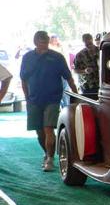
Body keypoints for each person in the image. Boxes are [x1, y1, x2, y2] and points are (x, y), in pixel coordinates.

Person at [20, 31, 78, 172]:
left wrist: (76, 94)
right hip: (34, 99)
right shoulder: (27, 58)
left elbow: (69, 77)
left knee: (48, 129)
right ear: (35, 42)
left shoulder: (57, 57)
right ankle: (46, 154)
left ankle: (51, 159)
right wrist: (27, 98)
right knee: (40, 132)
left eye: (46, 42)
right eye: (41, 42)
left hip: (52, 98)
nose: (44, 44)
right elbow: (23, 79)